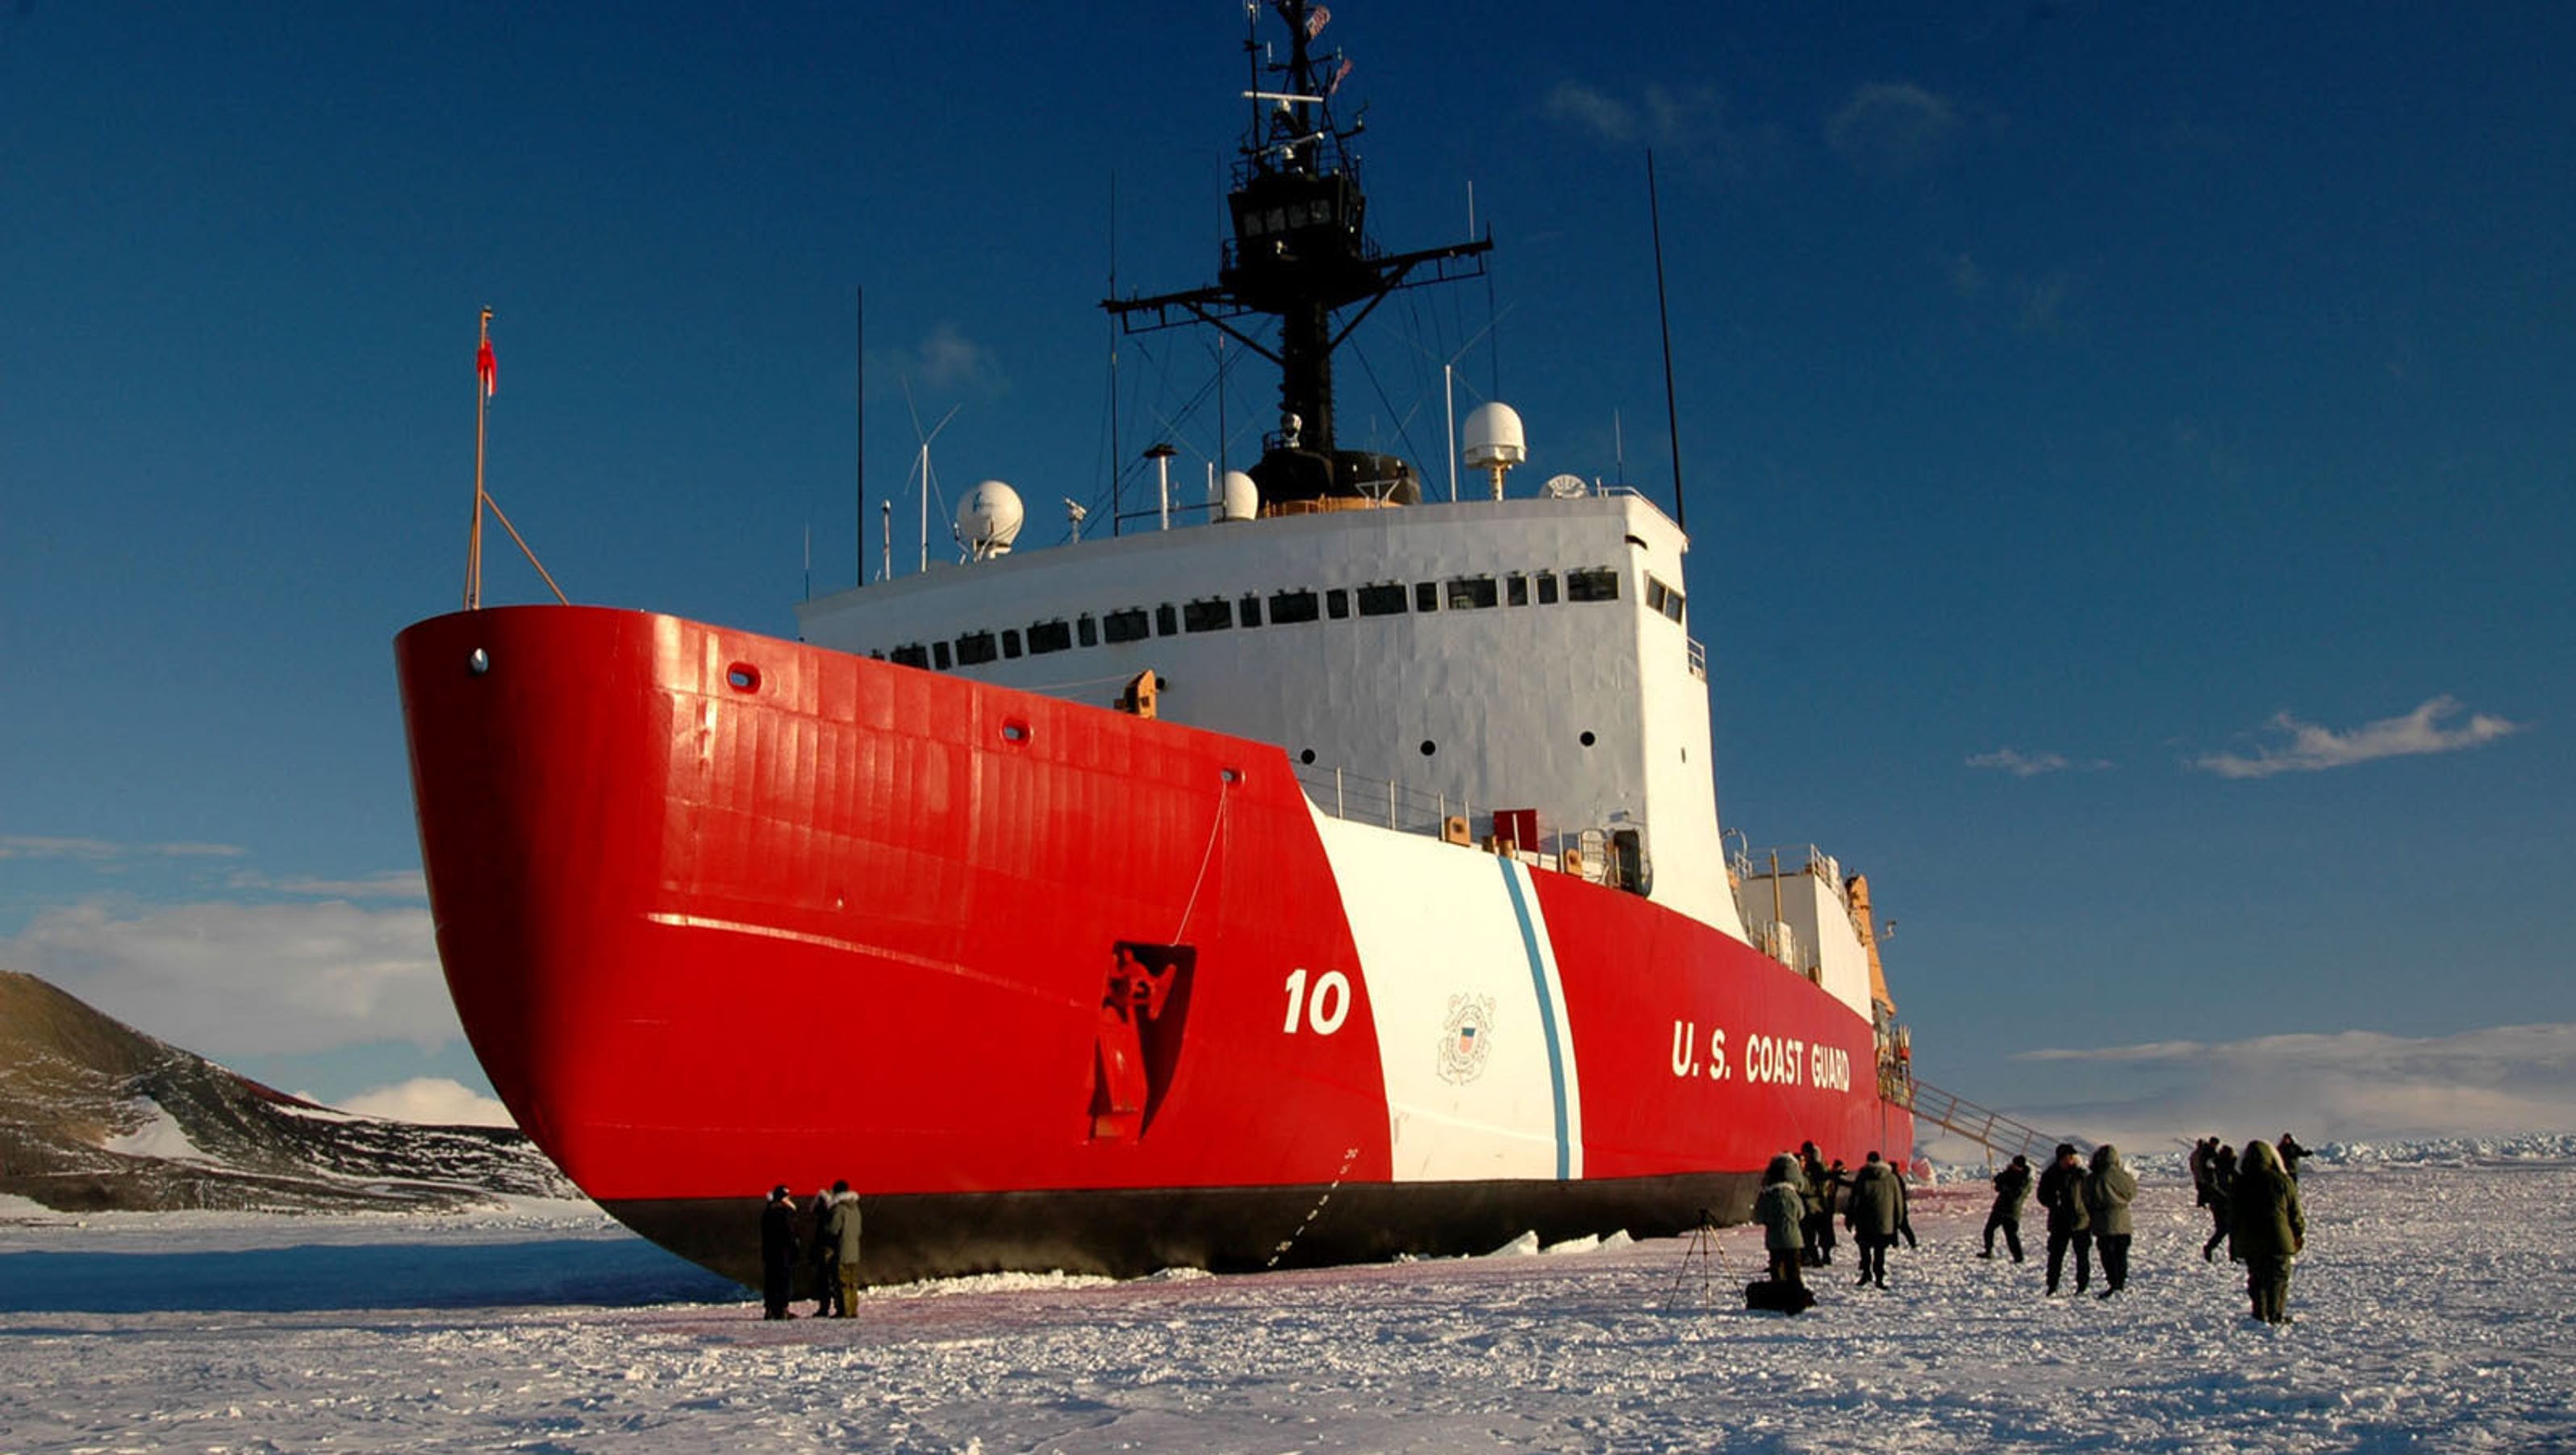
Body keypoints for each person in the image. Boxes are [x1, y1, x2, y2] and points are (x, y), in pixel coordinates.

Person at [2232, 1137, 2306, 1323]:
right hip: (2279, 1239)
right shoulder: (2282, 1181)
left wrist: (2235, 1244)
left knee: (2257, 1277)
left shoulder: (2239, 1183)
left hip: (2250, 1240)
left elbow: (2233, 1218)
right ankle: (2275, 1314)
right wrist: (2298, 1233)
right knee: (2278, 1277)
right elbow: (2294, 1212)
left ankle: (2259, 1313)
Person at [1843, 1150, 1907, 1289]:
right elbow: (1898, 1201)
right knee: (1880, 1251)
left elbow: (1854, 1200)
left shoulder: (1862, 1177)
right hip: (1884, 1222)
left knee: (1865, 1249)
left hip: (1864, 1221)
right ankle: (1879, 1278)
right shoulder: (1891, 1178)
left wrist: (1850, 1219)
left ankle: (1866, 1274)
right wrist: (1898, 1221)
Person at [2037, 1142, 2093, 1296]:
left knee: (2082, 1255)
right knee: (2055, 1256)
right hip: (2059, 1222)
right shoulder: (2050, 1175)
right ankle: (2052, 1285)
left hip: (2080, 1221)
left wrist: (2089, 1215)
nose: (2069, 1161)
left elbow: (2090, 1196)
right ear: (2060, 1159)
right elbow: (2042, 1195)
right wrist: (2053, 1202)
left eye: (2072, 1157)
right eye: (2066, 1158)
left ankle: (2082, 1285)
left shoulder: (2081, 1175)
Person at [2083, 1144, 2138, 1297]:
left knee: (2107, 1253)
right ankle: (2120, 1282)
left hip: (2102, 1220)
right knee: (2121, 1253)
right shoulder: (2122, 1175)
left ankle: (2113, 1282)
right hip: (2122, 1219)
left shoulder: (2093, 1177)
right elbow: (2131, 1192)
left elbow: (2086, 1197)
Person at [1755, 1154, 1809, 1290]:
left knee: (1777, 1269)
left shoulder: (1766, 1195)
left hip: (1774, 1239)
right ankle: (1795, 1296)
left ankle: (1778, 1297)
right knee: (1794, 1271)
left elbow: (1758, 1216)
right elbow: (1801, 1214)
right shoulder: (1793, 1194)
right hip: (1793, 1239)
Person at [759, 1185, 800, 1320]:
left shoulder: (767, 1211)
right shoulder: (786, 1212)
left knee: (770, 1281)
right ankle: (783, 1309)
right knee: (784, 1281)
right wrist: (795, 1249)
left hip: (770, 1252)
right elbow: (790, 1233)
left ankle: (770, 1310)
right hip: (784, 1253)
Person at [1981, 1154, 2031, 1261]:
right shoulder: (2009, 1173)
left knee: (2011, 1236)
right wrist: (2002, 1180)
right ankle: (1988, 1251)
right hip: (1999, 1208)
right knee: (1988, 1230)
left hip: (2012, 1211)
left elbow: (2017, 1194)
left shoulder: (2025, 1179)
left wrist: (2006, 1187)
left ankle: (2019, 1257)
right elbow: (1998, 1185)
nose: (2014, 1167)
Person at [826, 1178, 864, 1315]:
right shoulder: (856, 1208)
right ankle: (853, 1310)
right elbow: (859, 1230)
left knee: (842, 1283)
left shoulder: (839, 1209)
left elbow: (833, 1229)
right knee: (853, 1283)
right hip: (854, 1251)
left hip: (842, 1251)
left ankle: (844, 1310)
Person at [2201, 1142, 2239, 1262]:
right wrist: (2227, 1196)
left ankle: (2233, 1255)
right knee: (2224, 1229)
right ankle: (2210, 1248)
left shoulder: (2219, 1167)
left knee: (2231, 1229)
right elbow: (2215, 1186)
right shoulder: (2218, 1169)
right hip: (2221, 1203)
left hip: (2223, 1203)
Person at [808, 1186, 841, 1316]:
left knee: (827, 1281)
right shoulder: (833, 1212)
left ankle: (828, 1307)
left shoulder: (828, 1215)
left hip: (826, 1249)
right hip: (829, 1249)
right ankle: (837, 1307)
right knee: (832, 1280)